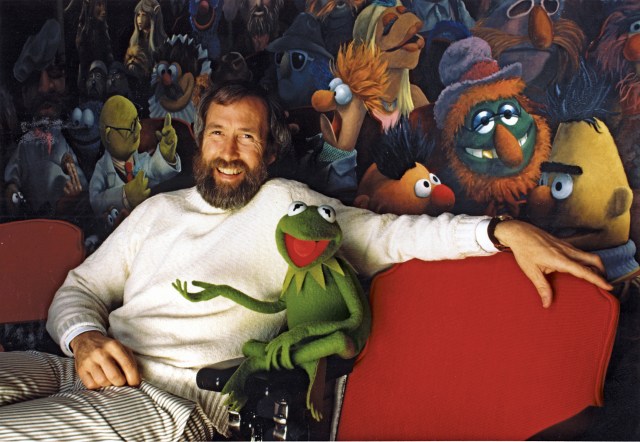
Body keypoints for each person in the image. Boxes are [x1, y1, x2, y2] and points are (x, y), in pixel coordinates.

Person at [0, 81, 611, 440]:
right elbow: (77, 290)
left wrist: (500, 231)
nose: (229, 153)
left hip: (169, 402)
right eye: (217, 134)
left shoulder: (288, 208)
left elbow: (394, 234)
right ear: (199, 142)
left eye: (247, 137)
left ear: (268, 150)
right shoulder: (159, 210)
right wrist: (82, 338)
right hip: (75, 368)